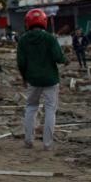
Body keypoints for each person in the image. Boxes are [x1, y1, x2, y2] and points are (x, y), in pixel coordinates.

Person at [18, 8, 68, 150]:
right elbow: (58, 58)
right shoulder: (50, 38)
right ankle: (47, 144)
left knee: (31, 108)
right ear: (44, 21)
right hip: (50, 80)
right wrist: (66, 60)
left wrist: (24, 77)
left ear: (28, 22)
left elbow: (21, 63)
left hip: (32, 80)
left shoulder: (23, 40)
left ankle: (28, 141)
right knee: (50, 109)